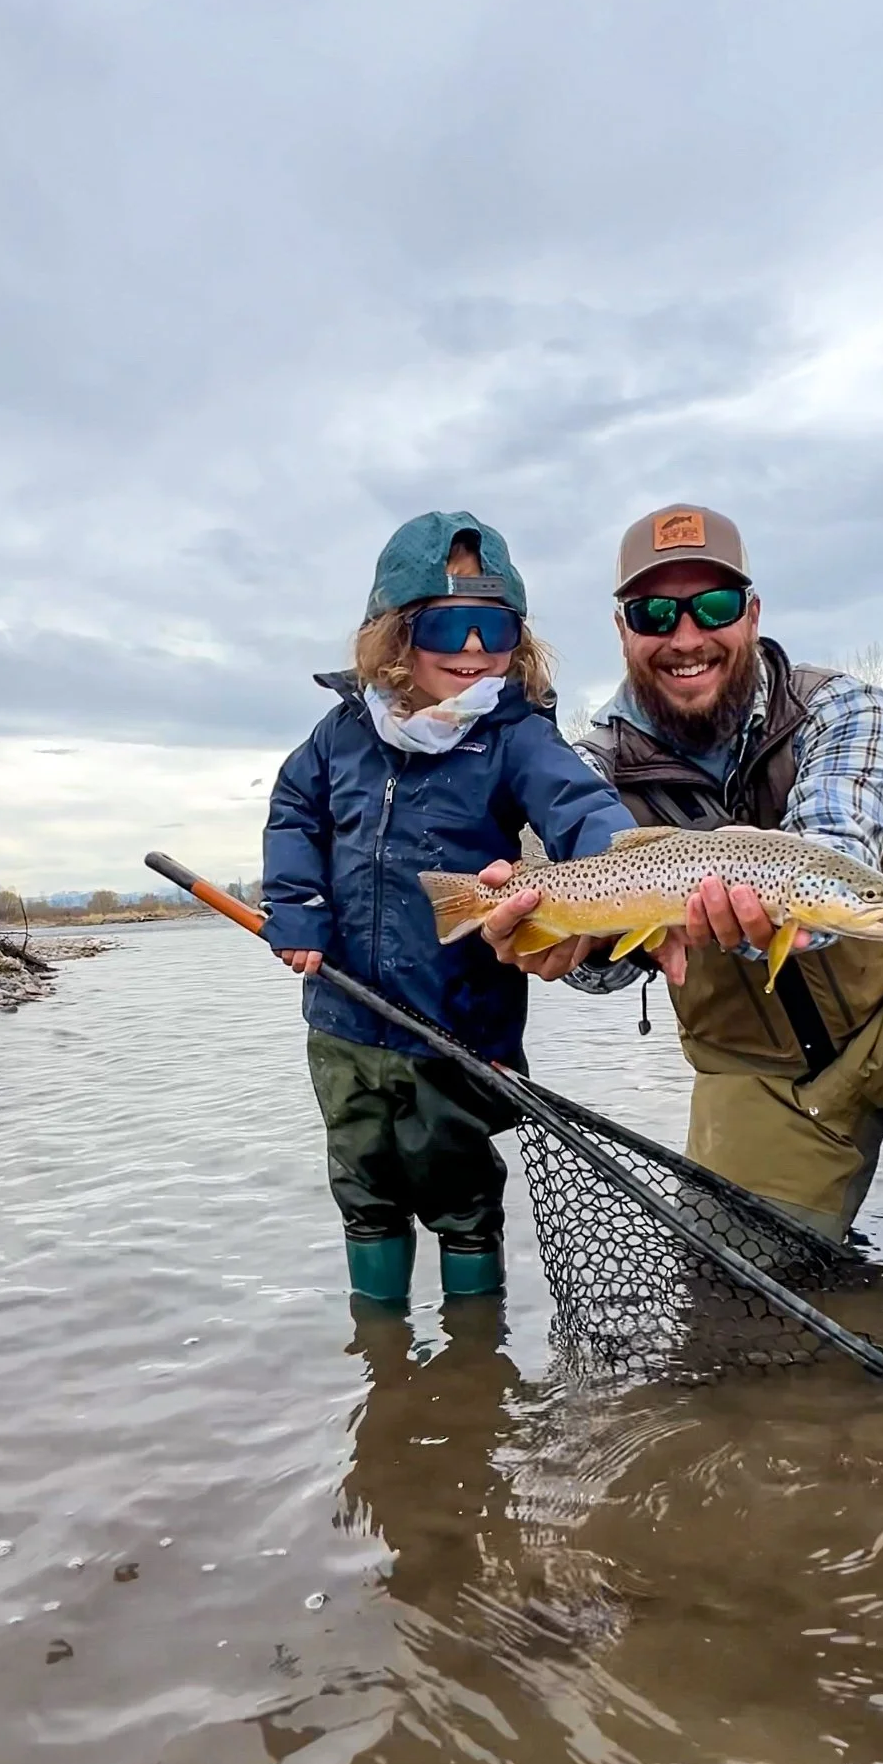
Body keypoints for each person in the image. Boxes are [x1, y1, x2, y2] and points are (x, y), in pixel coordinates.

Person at [480, 503, 883, 1259]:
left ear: (752, 613)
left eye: (715, 606)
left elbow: (829, 861)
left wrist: (756, 885)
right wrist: (560, 943)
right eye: (655, 612)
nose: (687, 635)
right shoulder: (590, 768)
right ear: (624, 629)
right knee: (737, 1307)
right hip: (759, 1074)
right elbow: (596, 955)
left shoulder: (839, 706)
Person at [261, 511, 634, 1305]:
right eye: (450, 624)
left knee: (464, 1203)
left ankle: (474, 1376)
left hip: (459, 1028)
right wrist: (296, 901)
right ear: (395, 634)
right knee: (364, 1194)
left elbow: (583, 808)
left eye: (494, 627)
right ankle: (382, 1335)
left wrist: (626, 866)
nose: (474, 650)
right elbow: (294, 809)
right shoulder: (338, 736)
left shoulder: (516, 738)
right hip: (342, 1019)